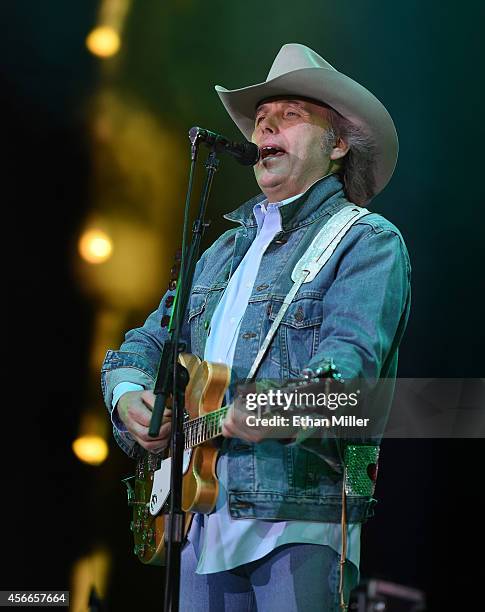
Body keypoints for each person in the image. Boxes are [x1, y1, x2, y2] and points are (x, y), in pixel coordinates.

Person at [101, 43, 411, 611]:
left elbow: (349, 369)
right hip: (198, 524)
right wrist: (127, 395)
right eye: (262, 119)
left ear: (338, 144)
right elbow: (146, 341)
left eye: (290, 115)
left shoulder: (366, 241)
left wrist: (278, 408)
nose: (267, 126)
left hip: (296, 519)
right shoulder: (221, 251)